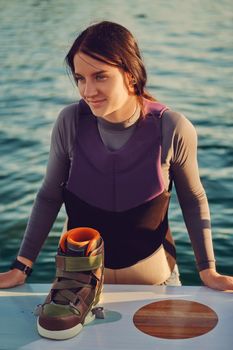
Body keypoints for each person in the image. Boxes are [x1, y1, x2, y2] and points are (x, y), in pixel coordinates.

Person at [0, 21, 232, 291]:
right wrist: (21, 268)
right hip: (75, 288)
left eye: (100, 76)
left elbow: (193, 200)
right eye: (80, 78)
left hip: (158, 284)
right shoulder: (69, 122)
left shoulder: (172, 128)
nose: (88, 91)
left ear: (130, 74)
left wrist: (208, 271)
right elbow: (49, 196)